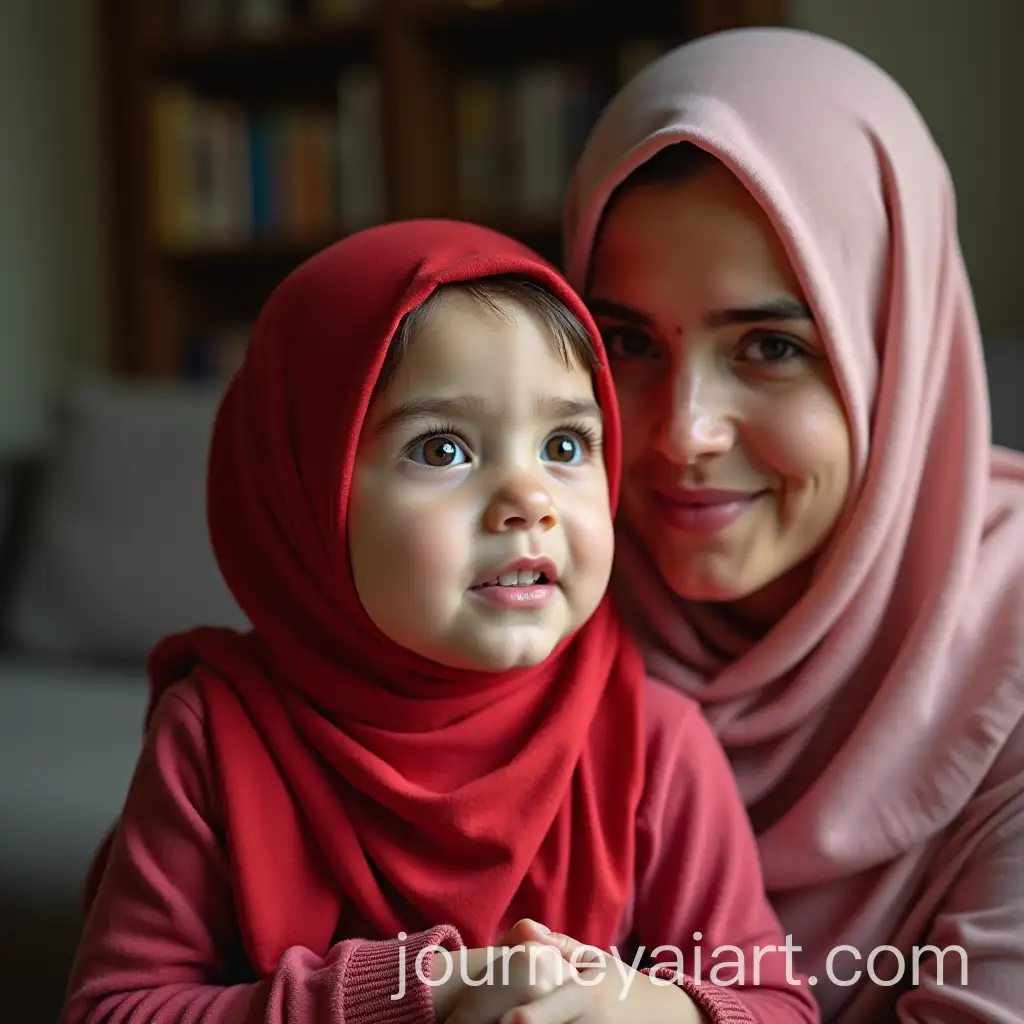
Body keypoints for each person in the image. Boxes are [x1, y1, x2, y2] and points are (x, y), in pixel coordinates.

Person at [59, 220, 820, 1024]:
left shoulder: (652, 745)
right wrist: (405, 998)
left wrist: (644, 1007)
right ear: (305, 495)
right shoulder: (213, 737)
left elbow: (775, 1007)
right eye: (444, 450)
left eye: (565, 443)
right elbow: (112, 1009)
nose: (529, 500)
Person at [557, 25, 1024, 1024]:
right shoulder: (525, 606)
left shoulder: (1010, 649)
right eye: (626, 341)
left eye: (768, 345)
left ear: (892, 357)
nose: (683, 433)